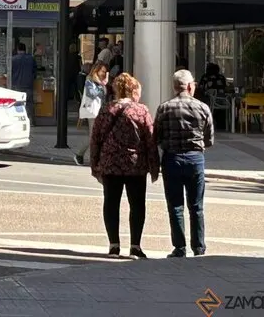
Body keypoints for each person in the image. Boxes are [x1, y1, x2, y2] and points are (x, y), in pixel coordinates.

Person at [89, 73, 158, 259]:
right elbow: (150, 140)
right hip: (135, 165)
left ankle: (114, 245)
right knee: (137, 205)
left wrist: (94, 164)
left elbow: (95, 139)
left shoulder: (106, 110)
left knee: (111, 203)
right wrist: (154, 167)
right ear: (133, 90)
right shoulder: (141, 111)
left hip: (110, 164)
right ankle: (135, 245)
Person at [154, 70, 213, 258]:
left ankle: (179, 247)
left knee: (175, 206)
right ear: (189, 86)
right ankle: (199, 247)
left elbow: (156, 136)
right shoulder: (202, 107)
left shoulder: (164, 108)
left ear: (174, 87)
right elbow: (209, 138)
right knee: (196, 206)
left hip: (172, 159)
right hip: (195, 159)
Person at [75, 62, 108, 165]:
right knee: (93, 136)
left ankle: (84, 155)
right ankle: (81, 155)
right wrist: (101, 87)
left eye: (105, 71)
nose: (103, 73)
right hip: (92, 112)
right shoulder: (89, 80)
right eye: (102, 71)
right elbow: (91, 93)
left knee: (97, 135)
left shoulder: (100, 82)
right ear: (96, 71)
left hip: (98, 111)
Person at [9, 43, 37, 124]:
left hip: (16, 84)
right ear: (25, 49)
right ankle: (31, 121)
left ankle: (18, 121)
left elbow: (9, 72)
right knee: (29, 104)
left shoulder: (13, 59)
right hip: (28, 84)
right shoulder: (31, 59)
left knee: (17, 103)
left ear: (17, 49)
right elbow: (35, 71)